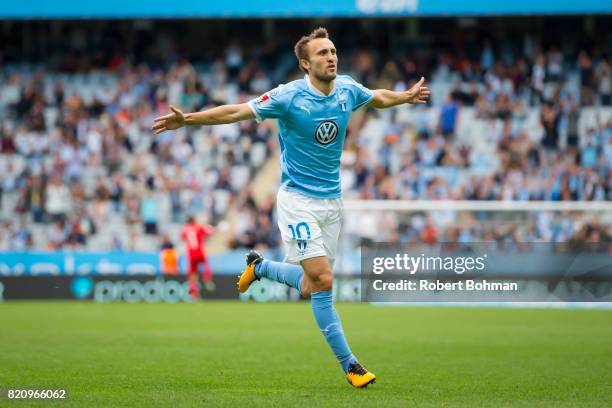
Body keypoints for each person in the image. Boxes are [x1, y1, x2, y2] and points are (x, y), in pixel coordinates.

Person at [152, 27, 430, 388]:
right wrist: (187, 119)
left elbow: (377, 97)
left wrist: (405, 97)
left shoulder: (347, 88)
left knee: (311, 287)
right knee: (325, 279)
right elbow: (238, 111)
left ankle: (261, 267)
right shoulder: (288, 97)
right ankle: (351, 366)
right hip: (297, 200)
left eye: (332, 51)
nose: (331, 57)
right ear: (305, 63)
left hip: (332, 202)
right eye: (322, 54)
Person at [180, 215, 215, 299]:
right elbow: (211, 232)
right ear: (194, 220)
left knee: (192, 274)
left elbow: (182, 238)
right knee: (206, 265)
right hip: (199, 252)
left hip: (191, 254)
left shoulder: (185, 229)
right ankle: (207, 279)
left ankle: (194, 293)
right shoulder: (199, 227)